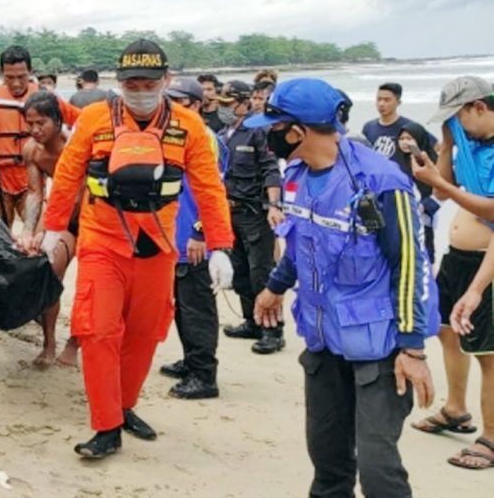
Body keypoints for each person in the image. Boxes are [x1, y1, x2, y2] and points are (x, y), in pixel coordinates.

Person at [42, 39, 234, 459]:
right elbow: (68, 174)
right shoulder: (95, 119)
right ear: (119, 82)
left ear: (166, 80)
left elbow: (208, 187)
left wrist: (220, 245)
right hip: (102, 243)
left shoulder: (188, 127)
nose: (141, 90)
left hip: (160, 246)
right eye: (132, 83)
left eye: (150, 82)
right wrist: (54, 229)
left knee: (146, 333)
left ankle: (124, 405)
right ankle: (106, 426)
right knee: (97, 332)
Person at [250, 78, 437, 497]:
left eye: (275, 127)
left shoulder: (381, 181)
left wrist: (412, 350)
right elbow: (300, 243)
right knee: (328, 462)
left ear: (299, 130)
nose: (269, 136)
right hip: (323, 340)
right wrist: (275, 286)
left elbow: (411, 264)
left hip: (381, 347)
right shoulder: (296, 174)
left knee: (377, 469)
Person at [408, 75, 494, 470]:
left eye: (457, 116)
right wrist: (448, 142)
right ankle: (456, 409)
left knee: (488, 353)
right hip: (458, 257)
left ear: (479, 107)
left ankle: (492, 438)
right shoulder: (469, 144)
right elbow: (442, 193)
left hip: (486, 263)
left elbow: (489, 210)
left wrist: (439, 181)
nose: (455, 125)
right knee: (446, 330)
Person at [160, 78, 229, 399]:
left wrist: (202, 231)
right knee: (182, 306)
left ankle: (204, 375)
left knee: (198, 307)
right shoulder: (172, 135)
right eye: (169, 101)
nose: (173, 108)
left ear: (197, 105)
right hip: (174, 237)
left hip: (195, 238)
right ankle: (191, 361)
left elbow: (215, 192)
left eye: (181, 102)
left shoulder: (205, 138)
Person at [0, 45, 78, 227]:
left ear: (30, 72)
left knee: (37, 234)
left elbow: (80, 119)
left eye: (21, 77)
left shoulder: (46, 98)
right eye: (9, 78)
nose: (16, 83)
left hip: (31, 178)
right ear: (1, 73)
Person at [216, 80, 286, 354]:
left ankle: (273, 331)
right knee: (241, 273)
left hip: (255, 213)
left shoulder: (258, 132)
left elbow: (271, 170)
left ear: (245, 102)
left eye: (229, 103)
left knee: (262, 273)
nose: (225, 109)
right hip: (230, 213)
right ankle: (252, 320)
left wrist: (274, 205)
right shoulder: (224, 134)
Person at [16, 91, 79, 366]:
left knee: (91, 287)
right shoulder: (32, 150)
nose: (34, 129)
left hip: (92, 218)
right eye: (29, 123)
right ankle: (49, 343)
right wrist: (30, 230)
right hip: (61, 217)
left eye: (41, 122)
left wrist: (48, 226)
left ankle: (75, 342)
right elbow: (34, 193)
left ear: (58, 120)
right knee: (50, 273)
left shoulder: (78, 145)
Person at [392, 122, 440, 263]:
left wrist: (425, 206)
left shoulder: (431, 162)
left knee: (425, 252)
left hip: (424, 213)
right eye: (401, 139)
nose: (405, 142)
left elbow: (441, 190)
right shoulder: (394, 162)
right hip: (400, 214)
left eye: (409, 138)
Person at [362, 82, 437, 159]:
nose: (381, 104)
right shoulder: (369, 127)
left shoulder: (409, 126)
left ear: (398, 102)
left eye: (387, 100)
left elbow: (436, 146)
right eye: (379, 99)